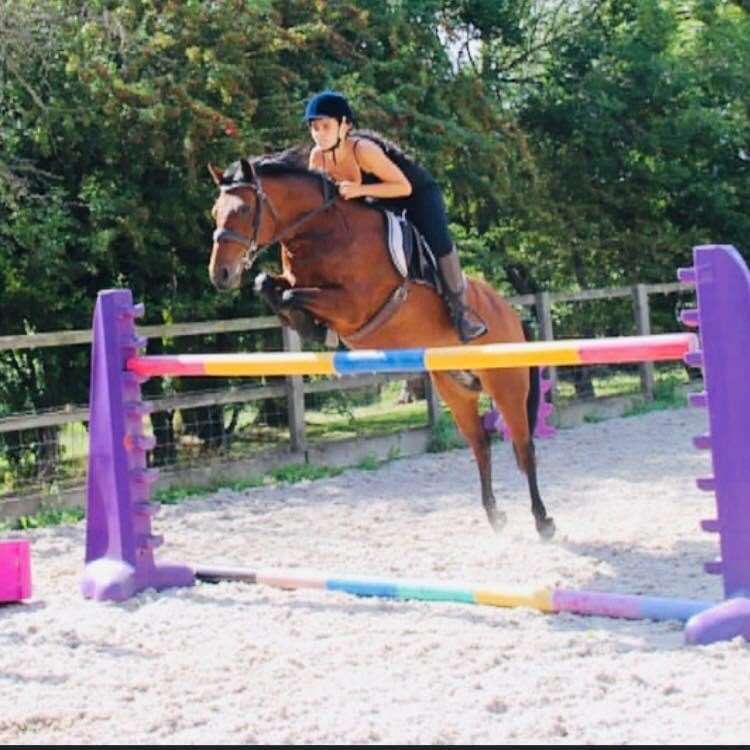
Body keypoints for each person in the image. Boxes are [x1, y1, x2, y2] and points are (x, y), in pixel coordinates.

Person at [304, 90, 487, 343]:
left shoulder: (363, 150)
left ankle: (461, 312)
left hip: (415, 193)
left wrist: (360, 190)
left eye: (326, 126)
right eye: (314, 128)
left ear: (344, 125)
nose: (319, 134)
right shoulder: (317, 158)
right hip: (377, 200)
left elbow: (404, 187)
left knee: (438, 240)